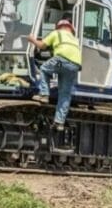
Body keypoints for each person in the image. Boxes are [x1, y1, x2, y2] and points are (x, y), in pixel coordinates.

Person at [27, 19, 82, 147]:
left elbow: (41, 46)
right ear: (70, 28)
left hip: (62, 59)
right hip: (75, 65)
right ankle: (59, 122)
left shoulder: (56, 33)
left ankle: (44, 94)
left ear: (59, 27)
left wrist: (32, 40)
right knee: (65, 93)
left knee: (44, 69)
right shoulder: (74, 39)